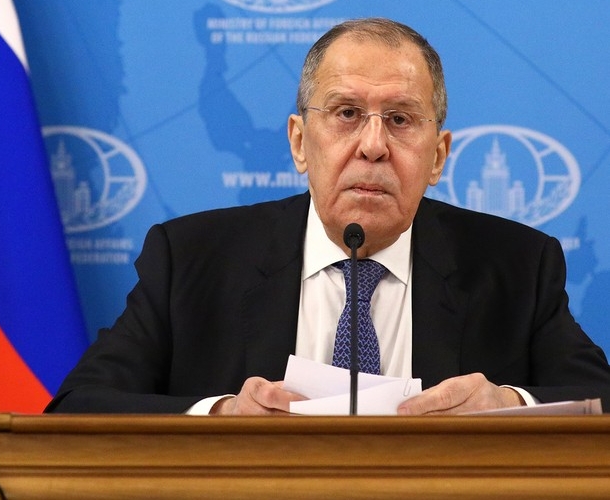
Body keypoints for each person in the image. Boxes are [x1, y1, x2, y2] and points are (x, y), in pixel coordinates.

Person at [45, 17, 610, 415]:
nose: (373, 146)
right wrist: (221, 415)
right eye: (346, 113)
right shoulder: (192, 259)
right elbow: (77, 408)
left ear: (438, 156)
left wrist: (508, 403)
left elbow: (599, 401)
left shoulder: (516, 266)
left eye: (400, 119)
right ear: (299, 142)